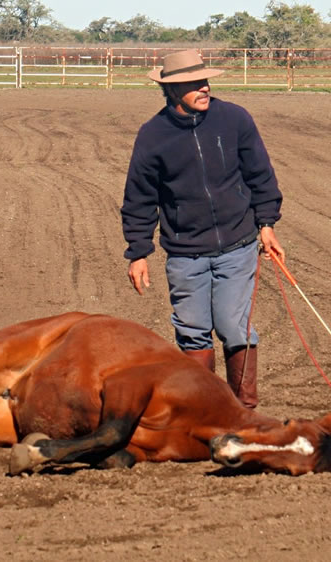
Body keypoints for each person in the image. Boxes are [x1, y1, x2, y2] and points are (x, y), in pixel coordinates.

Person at [121, 49, 285, 409]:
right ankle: (208, 411)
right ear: (173, 91)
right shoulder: (153, 136)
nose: (204, 88)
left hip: (238, 244)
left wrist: (267, 223)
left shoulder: (235, 119)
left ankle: (243, 411)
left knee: (232, 326)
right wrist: (138, 252)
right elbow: (139, 197)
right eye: (194, 84)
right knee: (192, 333)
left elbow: (260, 174)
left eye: (205, 81)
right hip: (184, 253)